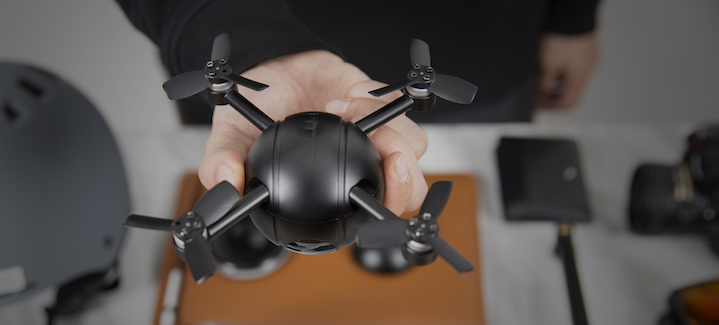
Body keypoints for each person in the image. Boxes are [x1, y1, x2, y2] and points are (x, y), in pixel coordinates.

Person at [116, 0, 599, 215]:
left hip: (483, 51)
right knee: (226, 181)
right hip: (250, 73)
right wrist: (235, 35)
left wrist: (572, 14)